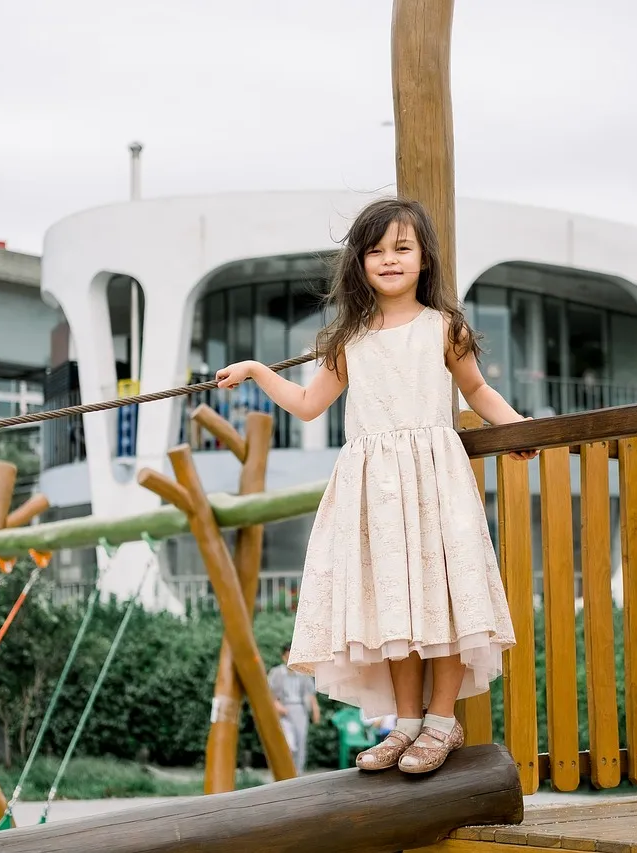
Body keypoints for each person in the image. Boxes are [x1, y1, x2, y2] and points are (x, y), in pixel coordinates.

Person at [215, 197, 535, 775]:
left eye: (402, 248)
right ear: (359, 263)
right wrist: (259, 371)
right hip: (377, 492)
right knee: (398, 609)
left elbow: (478, 393)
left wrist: (519, 427)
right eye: (376, 250)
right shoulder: (348, 339)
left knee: (442, 600)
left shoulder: (445, 328)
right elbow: (310, 406)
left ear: (424, 260)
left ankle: (441, 721)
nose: (389, 260)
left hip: (434, 480)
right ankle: (405, 724)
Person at [268, 642, 320, 772]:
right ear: (283, 657)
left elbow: (310, 694)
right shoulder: (276, 673)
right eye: (287, 656)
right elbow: (268, 693)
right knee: (288, 743)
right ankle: (285, 771)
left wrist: (315, 710)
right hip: (283, 710)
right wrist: (276, 705)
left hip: (300, 710)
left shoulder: (303, 673)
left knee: (301, 741)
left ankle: (298, 773)